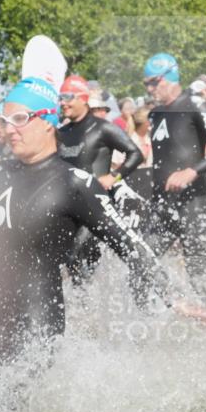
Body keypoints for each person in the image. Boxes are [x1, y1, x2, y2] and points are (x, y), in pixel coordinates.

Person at [0, 76, 206, 382]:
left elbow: (128, 243)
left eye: (19, 119)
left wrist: (173, 297)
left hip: (36, 325)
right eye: (4, 120)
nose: (8, 128)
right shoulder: (2, 172)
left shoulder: (76, 183)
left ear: (46, 122)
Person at [143, 53, 206, 297]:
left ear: (169, 78)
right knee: (140, 263)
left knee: (198, 274)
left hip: (193, 203)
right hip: (162, 204)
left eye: (153, 82)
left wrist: (192, 171)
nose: (149, 88)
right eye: (146, 84)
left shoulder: (194, 104)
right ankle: (150, 320)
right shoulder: (156, 114)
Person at [57, 74, 146, 281]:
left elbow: (136, 154)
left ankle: (97, 305)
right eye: (60, 98)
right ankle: (84, 308)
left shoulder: (101, 127)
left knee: (80, 257)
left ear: (83, 98)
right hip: (69, 208)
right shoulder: (62, 132)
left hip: (95, 206)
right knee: (72, 262)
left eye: (68, 97)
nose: (63, 102)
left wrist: (113, 176)